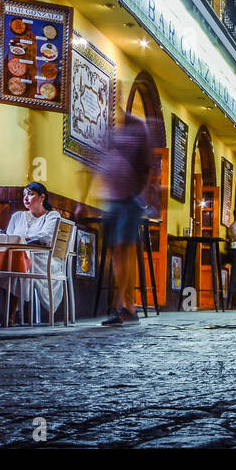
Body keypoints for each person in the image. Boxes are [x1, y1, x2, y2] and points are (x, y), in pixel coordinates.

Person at [99, 115, 151, 326]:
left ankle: (126, 306)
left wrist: (141, 198)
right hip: (114, 201)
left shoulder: (136, 136)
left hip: (128, 202)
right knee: (118, 255)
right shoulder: (121, 138)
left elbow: (147, 171)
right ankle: (124, 307)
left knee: (122, 254)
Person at [1, 182, 62, 324]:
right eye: (24, 195)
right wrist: (21, 242)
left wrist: (21, 240)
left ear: (42, 197)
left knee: (18, 265)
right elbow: (9, 237)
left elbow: (45, 237)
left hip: (42, 258)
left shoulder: (52, 216)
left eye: (30, 194)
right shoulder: (17, 216)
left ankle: (10, 315)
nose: (26, 198)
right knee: (3, 264)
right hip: (18, 254)